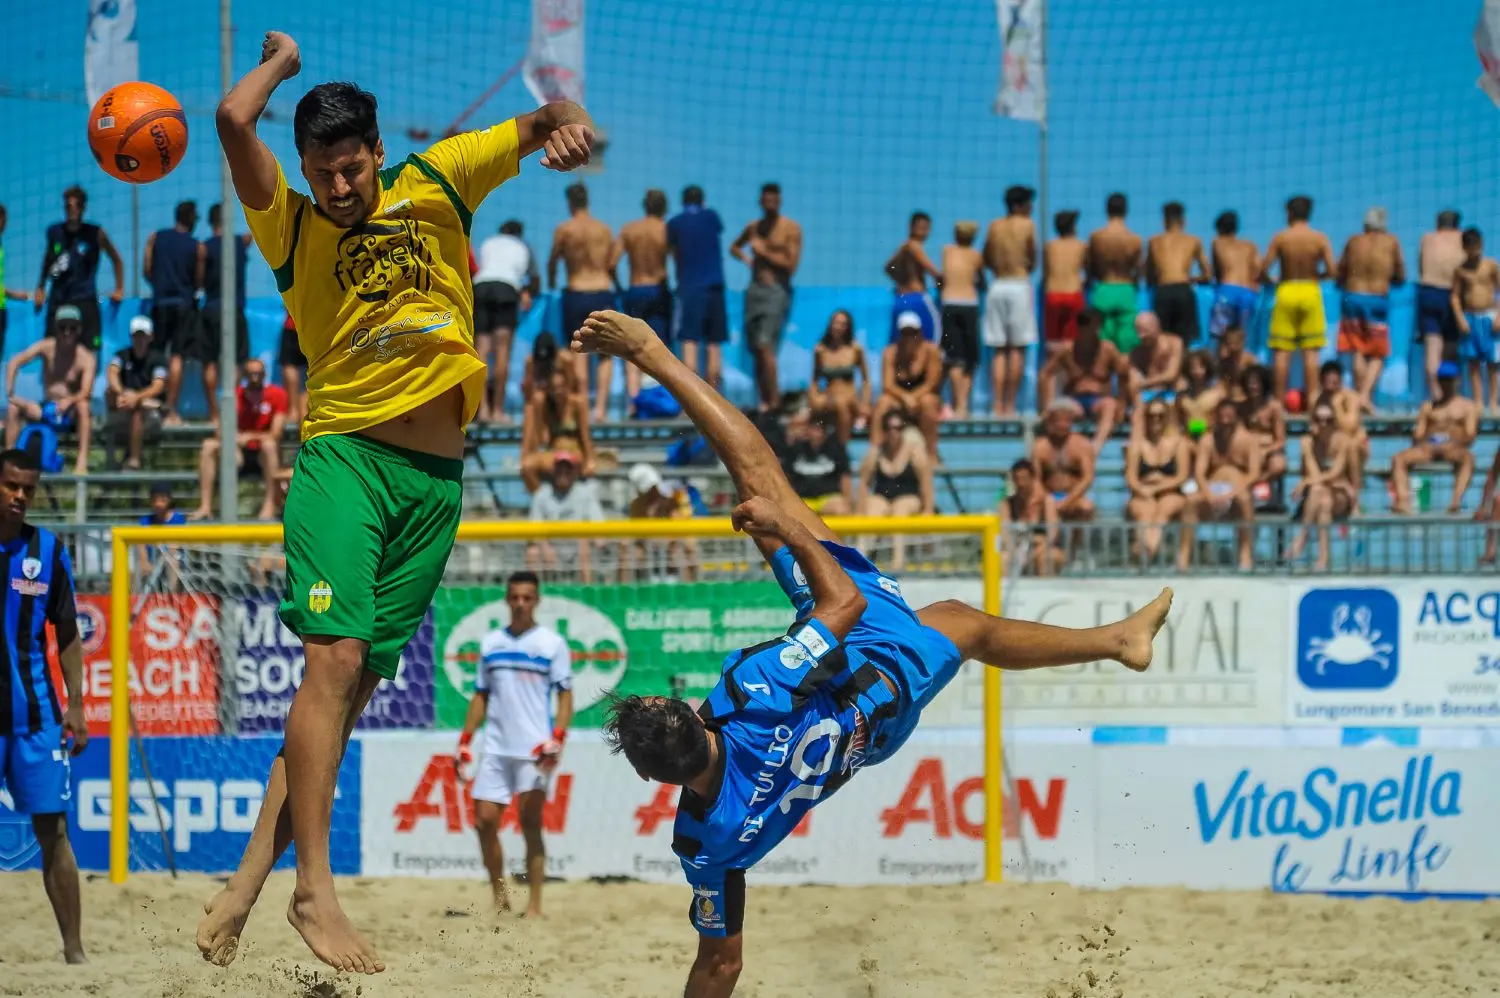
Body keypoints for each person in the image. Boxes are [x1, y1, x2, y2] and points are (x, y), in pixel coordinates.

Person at [570, 309, 1169, 998]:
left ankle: (1118, 642)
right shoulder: (756, 692)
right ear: (691, 714)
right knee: (772, 490)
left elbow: (721, 965)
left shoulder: (703, 844)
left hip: (856, 725)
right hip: (874, 668)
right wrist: (786, 530)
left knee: (954, 618)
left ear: (657, 782)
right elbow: (842, 607)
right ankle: (1120, 641)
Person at [194, 30, 595, 975]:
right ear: (303, 170)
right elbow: (228, 117)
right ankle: (314, 893)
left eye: (350, 167)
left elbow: (556, 115)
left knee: (338, 704)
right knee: (330, 663)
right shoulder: (287, 222)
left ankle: (249, 884)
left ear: (378, 152)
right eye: (320, 172)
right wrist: (283, 60)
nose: (338, 187)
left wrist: (572, 132)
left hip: (435, 486)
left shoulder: (440, 179)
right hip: (346, 460)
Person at [0, 448, 88, 965]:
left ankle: (74, 952)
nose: (20, 496)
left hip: (35, 720)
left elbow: (69, 632)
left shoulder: (48, 550)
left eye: (28, 489)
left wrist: (77, 705)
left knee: (54, 832)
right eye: (11, 485)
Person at [455, 571, 574, 918]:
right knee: (483, 822)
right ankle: (500, 895)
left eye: (527, 597)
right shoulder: (491, 643)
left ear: (537, 600)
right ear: (507, 600)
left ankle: (535, 905)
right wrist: (464, 740)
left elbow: (566, 697)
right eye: (515, 597)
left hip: (535, 750)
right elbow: (480, 695)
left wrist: (558, 739)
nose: (521, 603)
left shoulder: (552, 644)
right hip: (495, 747)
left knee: (531, 822)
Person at [548, 183, 616, 423]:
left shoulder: (564, 229)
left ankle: (583, 408)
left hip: (576, 291)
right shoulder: (604, 230)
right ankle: (601, 410)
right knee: (606, 353)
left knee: (578, 349)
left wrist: (552, 281)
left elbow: (553, 261)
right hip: (603, 290)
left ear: (570, 203)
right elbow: (611, 265)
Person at [731, 183, 802, 411]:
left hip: (776, 291)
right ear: (760, 201)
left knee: (765, 345)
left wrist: (764, 254)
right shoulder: (754, 227)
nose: (770, 203)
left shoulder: (791, 228)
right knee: (756, 348)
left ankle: (774, 401)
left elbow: (791, 265)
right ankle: (764, 401)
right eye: (765, 199)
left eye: (774, 199)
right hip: (754, 290)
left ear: (779, 201)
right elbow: (734, 247)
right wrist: (748, 260)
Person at [190, 359, 289, 521]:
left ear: (265, 374)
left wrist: (250, 436)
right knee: (209, 445)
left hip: (263, 455)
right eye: (250, 374)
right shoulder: (234, 396)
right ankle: (205, 506)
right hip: (238, 453)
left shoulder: (277, 395)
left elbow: (276, 433)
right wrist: (234, 439)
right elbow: (220, 431)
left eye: (258, 373)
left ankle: (270, 504)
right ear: (244, 375)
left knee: (269, 445)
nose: (254, 377)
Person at [1261, 196, 1336, 405]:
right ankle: (1313, 401)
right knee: (1311, 353)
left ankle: (1277, 401)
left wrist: (1273, 280)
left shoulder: (1281, 237)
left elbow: (1263, 267)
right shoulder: (1319, 238)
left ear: (1290, 213)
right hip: (1310, 290)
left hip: (1286, 289)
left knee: (1281, 352)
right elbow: (1332, 270)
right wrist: (1316, 277)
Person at [4, 306, 96, 474]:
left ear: (79, 329)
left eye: (72, 328)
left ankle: (81, 462)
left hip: (69, 412)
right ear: (56, 328)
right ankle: (9, 461)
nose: (67, 332)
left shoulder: (86, 357)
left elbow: (86, 391)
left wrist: (70, 400)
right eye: (63, 327)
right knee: (12, 409)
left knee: (84, 406)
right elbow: (14, 362)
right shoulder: (46, 347)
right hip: (46, 406)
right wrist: (11, 394)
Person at [33, 185, 125, 354]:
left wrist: (119, 288)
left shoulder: (95, 233)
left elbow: (117, 260)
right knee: (50, 348)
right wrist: (40, 287)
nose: (71, 210)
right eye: (68, 206)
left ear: (83, 208)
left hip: (84, 297)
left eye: (76, 206)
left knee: (89, 350)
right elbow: (47, 261)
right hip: (59, 297)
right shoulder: (54, 232)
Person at [1336, 206, 1404, 411]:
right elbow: (1400, 274)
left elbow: (1341, 272)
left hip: (1352, 295)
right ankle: (1365, 396)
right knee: (1377, 353)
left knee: (1356, 348)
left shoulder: (1353, 241)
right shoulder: (1391, 242)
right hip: (1376, 297)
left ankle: (1360, 397)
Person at [1389, 362, 1478, 515]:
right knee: (1398, 459)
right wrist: (1427, 441)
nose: (1446, 383)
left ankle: (1456, 501)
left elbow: (1470, 435)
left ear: (1457, 380)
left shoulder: (1467, 407)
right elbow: (1418, 433)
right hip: (1428, 448)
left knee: (1468, 459)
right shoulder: (1428, 406)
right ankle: (1403, 501)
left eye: (1449, 379)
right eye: (1443, 379)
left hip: (1454, 448)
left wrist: (1452, 441)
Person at [191, 203, 253, 424]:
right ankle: (231, 413)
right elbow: (251, 235)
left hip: (211, 308)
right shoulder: (240, 243)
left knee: (209, 363)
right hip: (233, 308)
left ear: (210, 222)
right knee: (237, 363)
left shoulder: (204, 247)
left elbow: (198, 280)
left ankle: (214, 414)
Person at [614, 190, 674, 414]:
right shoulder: (666, 229)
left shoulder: (630, 229)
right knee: (660, 347)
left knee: (631, 346)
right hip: (659, 289)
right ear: (664, 208)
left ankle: (633, 402)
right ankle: (665, 400)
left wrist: (620, 287)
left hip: (635, 288)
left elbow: (612, 262)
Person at [1185, 398, 1263, 571]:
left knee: (1244, 499)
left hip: (1237, 490)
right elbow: (1199, 472)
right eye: (1222, 416)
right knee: (1190, 501)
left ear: (1236, 418)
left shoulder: (1249, 440)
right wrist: (1208, 494)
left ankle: (1245, 554)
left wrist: (1232, 493)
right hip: (1213, 489)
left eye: (1229, 416)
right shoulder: (1207, 440)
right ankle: (1184, 557)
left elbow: (1254, 473)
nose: (1226, 420)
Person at [981, 185, 1039, 415]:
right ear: (1020, 205)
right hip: (1018, 283)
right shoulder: (1027, 225)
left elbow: (986, 258)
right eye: (1028, 204)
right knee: (1016, 349)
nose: (1031, 208)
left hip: (997, 285)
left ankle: (997, 404)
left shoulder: (994, 226)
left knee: (999, 350)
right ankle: (1011, 404)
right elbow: (1033, 257)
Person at [1037, 308, 1125, 453]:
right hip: (1075, 400)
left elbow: (1124, 374)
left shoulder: (1108, 349)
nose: (1086, 330)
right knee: (1059, 410)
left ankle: (1095, 448)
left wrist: (1122, 404)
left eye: (1090, 325)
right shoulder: (1067, 349)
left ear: (1098, 327)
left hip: (1100, 400)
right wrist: (1046, 406)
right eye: (1083, 325)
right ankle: (1061, 451)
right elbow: (1045, 374)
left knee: (1110, 405)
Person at [471, 220, 535, 421]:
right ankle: (498, 409)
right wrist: (527, 292)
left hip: (481, 286)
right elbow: (534, 277)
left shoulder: (489, 242)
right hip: (506, 288)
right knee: (502, 351)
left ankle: (482, 409)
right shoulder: (523, 246)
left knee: (481, 350)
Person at [144, 200, 202, 423]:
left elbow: (147, 270)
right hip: (183, 304)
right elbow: (198, 280)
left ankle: (153, 404)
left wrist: (160, 284)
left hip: (160, 302)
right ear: (191, 220)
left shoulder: (156, 238)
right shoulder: (195, 245)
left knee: (157, 354)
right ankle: (171, 408)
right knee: (177, 356)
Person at [856, 410, 934, 572]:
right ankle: (860, 561)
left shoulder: (914, 451)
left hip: (909, 496)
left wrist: (928, 509)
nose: (894, 432)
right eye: (889, 428)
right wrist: (860, 510)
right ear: (884, 430)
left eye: (898, 428)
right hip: (883, 496)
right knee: (873, 509)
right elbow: (864, 482)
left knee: (900, 509)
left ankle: (898, 562)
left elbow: (926, 482)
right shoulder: (876, 452)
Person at [667, 185, 728, 389]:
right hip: (714, 287)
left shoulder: (675, 223)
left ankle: (692, 405)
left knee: (689, 342)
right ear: (702, 201)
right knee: (713, 346)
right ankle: (717, 402)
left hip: (690, 287)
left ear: (683, 202)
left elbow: (675, 256)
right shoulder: (712, 217)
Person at [1285, 402, 1356, 571]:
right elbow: (1313, 473)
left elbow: (1336, 473)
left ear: (1334, 422)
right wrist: (1308, 448)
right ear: (1313, 422)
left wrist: (1305, 482)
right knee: (1322, 499)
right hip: (1320, 496)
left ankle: (1302, 536)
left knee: (1319, 492)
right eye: (1319, 420)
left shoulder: (1343, 441)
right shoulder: (1308, 442)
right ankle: (1323, 559)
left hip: (1340, 492)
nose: (1324, 424)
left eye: (1328, 420)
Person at [1125, 397, 1191, 565]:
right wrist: (1143, 490)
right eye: (1151, 415)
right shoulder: (1137, 445)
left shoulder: (1179, 443)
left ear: (1167, 417)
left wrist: (1157, 489)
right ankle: (1145, 553)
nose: (1156, 420)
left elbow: (1182, 476)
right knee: (1143, 512)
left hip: (1170, 490)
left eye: (1160, 416)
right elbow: (1131, 477)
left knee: (1165, 509)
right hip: (1143, 491)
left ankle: (1147, 553)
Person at [872, 311, 942, 457]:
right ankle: (875, 453)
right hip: (900, 398)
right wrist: (905, 398)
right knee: (882, 403)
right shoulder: (890, 352)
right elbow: (888, 385)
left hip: (922, 397)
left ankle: (931, 453)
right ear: (900, 334)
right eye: (905, 333)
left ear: (920, 333)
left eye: (913, 333)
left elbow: (932, 383)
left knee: (928, 402)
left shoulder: (931, 351)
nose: (910, 337)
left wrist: (913, 397)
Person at [527, 452, 605, 582]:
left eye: (567, 470)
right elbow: (535, 529)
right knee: (533, 553)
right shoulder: (541, 495)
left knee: (583, 547)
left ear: (574, 472)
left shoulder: (586, 494)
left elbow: (598, 525)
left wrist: (593, 540)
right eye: (559, 469)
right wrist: (545, 546)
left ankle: (587, 594)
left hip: (578, 547)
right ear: (553, 471)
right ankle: (539, 595)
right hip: (552, 546)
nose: (563, 473)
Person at [105, 315, 168, 470]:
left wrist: (137, 398)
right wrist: (123, 393)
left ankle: (134, 460)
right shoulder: (122, 355)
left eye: (143, 335)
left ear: (150, 337)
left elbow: (158, 385)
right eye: (136, 335)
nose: (139, 340)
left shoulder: (158, 359)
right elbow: (112, 373)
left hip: (148, 413)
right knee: (110, 393)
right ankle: (118, 462)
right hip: (124, 406)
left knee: (139, 409)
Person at [520, 367, 593, 492]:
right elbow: (538, 433)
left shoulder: (577, 404)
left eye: (560, 387)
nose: (557, 392)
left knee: (564, 467)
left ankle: (563, 502)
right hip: (554, 451)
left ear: (567, 386)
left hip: (573, 450)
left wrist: (590, 459)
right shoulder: (546, 405)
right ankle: (542, 500)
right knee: (527, 466)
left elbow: (584, 434)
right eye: (554, 388)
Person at [1086, 192, 1142, 352]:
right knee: (1127, 345)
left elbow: (1090, 266)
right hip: (1126, 289)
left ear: (1106, 210)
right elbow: (1138, 270)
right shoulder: (1134, 239)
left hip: (1104, 287)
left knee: (1102, 343)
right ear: (1126, 210)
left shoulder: (1096, 237)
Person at [1417, 210, 1465, 400]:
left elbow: (1422, 267)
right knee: (1452, 347)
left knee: (1432, 345)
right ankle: (1453, 394)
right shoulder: (1461, 239)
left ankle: (1435, 393)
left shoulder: (1427, 238)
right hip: (1452, 293)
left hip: (1429, 291)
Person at [1145, 201, 1209, 343]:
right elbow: (1208, 274)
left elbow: (1148, 275)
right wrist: (1192, 278)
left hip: (1163, 289)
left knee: (1161, 340)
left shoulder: (1154, 241)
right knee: (1184, 341)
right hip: (1183, 288)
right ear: (1183, 221)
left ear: (1164, 221)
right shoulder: (1193, 241)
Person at [938, 221, 984, 415]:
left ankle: (959, 404)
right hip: (969, 304)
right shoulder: (975, 255)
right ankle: (962, 405)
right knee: (969, 359)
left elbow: (942, 278)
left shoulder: (947, 251)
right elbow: (981, 280)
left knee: (955, 357)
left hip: (949, 302)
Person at [1452, 227, 1500, 413]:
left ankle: (1493, 402)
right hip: (1470, 317)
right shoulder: (1461, 270)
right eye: (1471, 248)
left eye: (1477, 247)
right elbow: (1455, 296)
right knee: (1473, 362)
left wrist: (1498, 315)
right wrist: (1460, 319)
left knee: (1492, 362)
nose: (1475, 251)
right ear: (1465, 248)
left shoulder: (1490, 265)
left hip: (1489, 317)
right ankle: (1479, 401)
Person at [806, 309, 870, 444]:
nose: (838, 327)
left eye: (843, 324)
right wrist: (814, 397)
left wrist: (865, 402)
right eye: (836, 322)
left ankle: (842, 448)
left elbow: (865, 379)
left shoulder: (855, 349)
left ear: (848, 327)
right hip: (829, 396)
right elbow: (815, 379)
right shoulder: (821, 350)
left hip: (849, 396)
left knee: (843, 407)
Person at [1031, 399, 1096, 525]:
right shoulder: (1040, 447)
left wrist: (1068, 500)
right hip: (1048, 495)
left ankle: (1076, 544)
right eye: (1057, 421)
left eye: (1066, 421)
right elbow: (1035, 479)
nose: (1061, 424)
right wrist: (1047, 499)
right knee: (1034, 506)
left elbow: (1087, 478)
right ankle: (1044, 542)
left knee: (1085, 507)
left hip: (1074, 495)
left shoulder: (1081, 444)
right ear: (1049, 422)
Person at [1312, 360, 1369, 500]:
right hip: (1329, 445)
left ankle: (1355, 498)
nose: (1331, 382)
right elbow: (1313, 424)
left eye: (1334, 378)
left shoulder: (1351, 397)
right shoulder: (1316, 399)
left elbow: (1350, 428)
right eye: (1327, 378)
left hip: (1354, 445)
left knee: (1351, 444)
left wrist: (1336, 406)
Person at [1000, 457, 1066, 575]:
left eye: (1024, 479)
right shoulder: (1007, 504)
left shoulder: (1046, 501)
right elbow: (1005, 534)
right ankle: (1002, 592)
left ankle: (1046, 590)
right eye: (1017, 479)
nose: (1020, 484)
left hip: (1043, 550)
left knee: (1047, 557)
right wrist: (1015, 552)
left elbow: (1052, 536)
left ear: (1033, 478)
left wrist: (1034, 550)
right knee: (1002, 559)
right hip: (1018, 549)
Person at [884, 211, 942, 344]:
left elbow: (887, 268)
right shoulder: (914, 245)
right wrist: (942, 280)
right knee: (932, 340)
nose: (925, 232)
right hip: (917, 298)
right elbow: (933, 271)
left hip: (900, 298)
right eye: (923, 228)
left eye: (927, 229)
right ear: (911, 227)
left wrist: (903, 281)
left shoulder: (903, 247)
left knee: (898, 341)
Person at [782, 411, 852, 515]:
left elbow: (845, 477)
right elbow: (786, 477)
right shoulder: (795, 449)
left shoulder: (836, 449)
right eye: (812, 428)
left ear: (825, 431)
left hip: (828, 499)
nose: (815, 432)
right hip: (803, 499)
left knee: (841, 509)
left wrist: (847, 501)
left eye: (818, 428)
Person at [1238, 364, 1287, 510]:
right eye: (1250, 382)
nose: (1253, 386)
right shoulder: (1241, 407)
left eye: (1256, 382)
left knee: (1279, 465)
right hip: (1247, 451)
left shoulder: (1274, 407)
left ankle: (1258, 483)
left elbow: (1280, 440)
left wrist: (1266, 450)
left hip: (1268, 450)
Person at [1209, 211, 1260, 340]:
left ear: (1219, 228)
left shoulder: (1217, 243)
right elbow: (1258, 270)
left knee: (1221, 337)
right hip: (1249, 292)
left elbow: (1216, 272)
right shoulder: (1250, 245)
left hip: (1227, 290)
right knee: (1242, 338)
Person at [1042, 209, 1087, 358]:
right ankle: (1070, 378)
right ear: (1073, 227)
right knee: (1072, 342)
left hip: (1053, 294)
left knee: (1053, 343)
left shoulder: (1050, 247)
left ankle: (1053, 378)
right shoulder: (1081, 246)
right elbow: (1088, 270)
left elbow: (1046, 273)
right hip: (1073, 293)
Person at [1126, 311, 1183, 412]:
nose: (1141, 336)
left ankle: (1198, 428)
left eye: (1145, 331)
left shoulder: (1174, 343)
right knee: (1136, 410)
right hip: (1147, 395)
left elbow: (1171, 374)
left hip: (1171, 391)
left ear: (1157, 327)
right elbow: (1133, 382)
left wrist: (1144, 383)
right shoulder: (1136, 353)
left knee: (1182, 385)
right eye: (1138, 331)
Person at [277, 313, 308, 425]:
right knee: (313, 368)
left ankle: (294, 410)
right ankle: (302, 411)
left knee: (290, 365)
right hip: (314, 326)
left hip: (293, 322)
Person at [1215, 325, 1257, 402]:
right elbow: (1221, 382)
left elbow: (1256, 382)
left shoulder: (1250, 360)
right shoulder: (1225, 362)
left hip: (1247, 397)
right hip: (1230, 397)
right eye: (1229, 342)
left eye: (1235, 342)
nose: (1232, 346)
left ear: (1242, 342)